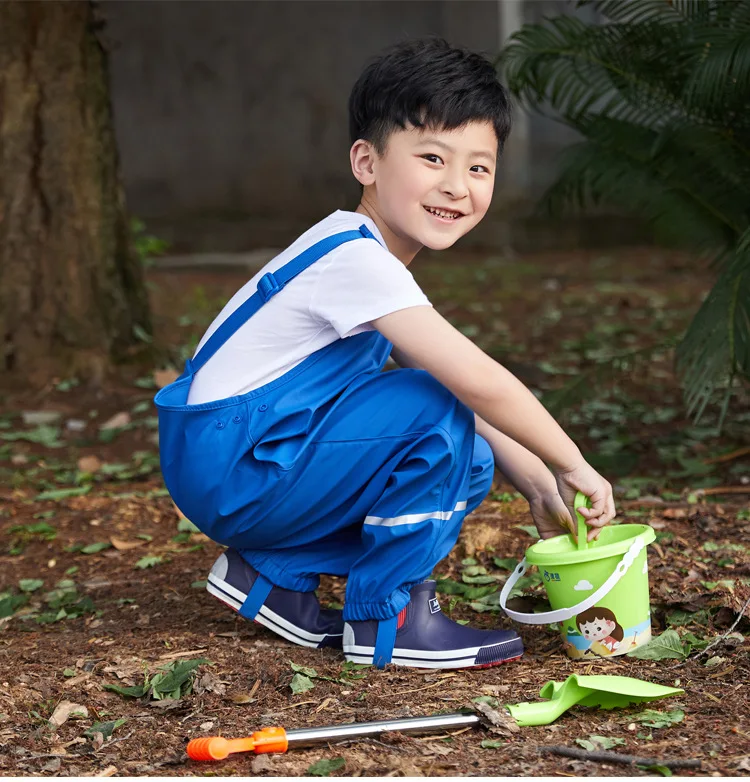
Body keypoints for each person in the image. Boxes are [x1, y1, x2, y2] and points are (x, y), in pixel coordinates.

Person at [155, 37, 616, 671]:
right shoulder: (356, 262)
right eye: (432, 157)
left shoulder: (360, 254)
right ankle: (386, 619)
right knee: (432, 407)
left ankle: (274, 575)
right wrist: (572, 464)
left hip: (240, 458)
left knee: (468, 454)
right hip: (237, 463)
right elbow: (473, 383)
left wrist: (535, 481)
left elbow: (444, 393)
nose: (457, 186)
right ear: (366, 162)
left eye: (479, 168)